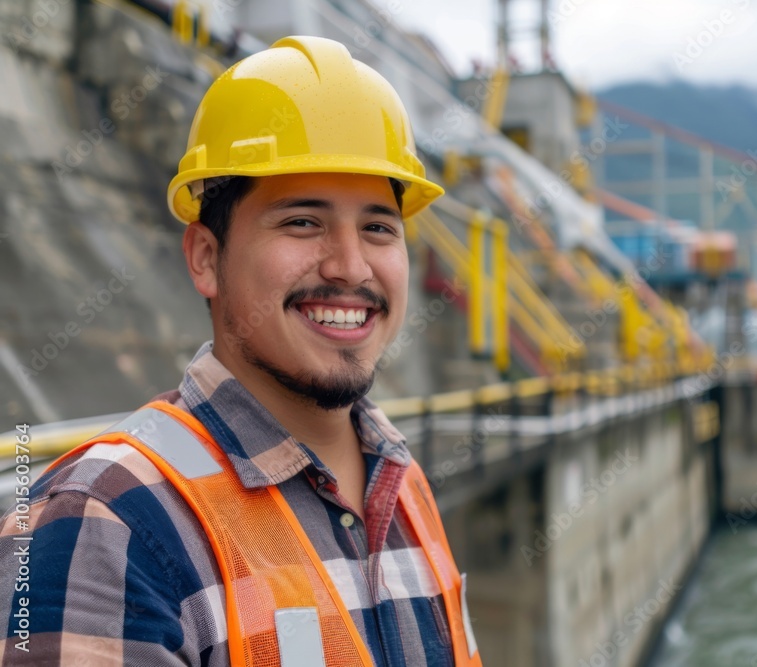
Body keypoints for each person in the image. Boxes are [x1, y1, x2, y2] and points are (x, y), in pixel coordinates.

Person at [0, 36, 481, 666]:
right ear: (206, 258)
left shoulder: (401, 484)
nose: (350, 266)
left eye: (378, 228)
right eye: (302, 222)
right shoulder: (102, 521)